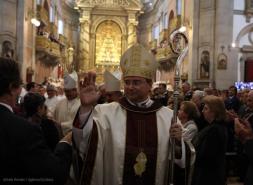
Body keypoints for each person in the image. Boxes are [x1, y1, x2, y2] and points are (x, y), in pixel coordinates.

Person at [72, 43, 186, 185]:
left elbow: (178, 161)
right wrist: (85, 108)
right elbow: (83, 143)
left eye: (136, 82)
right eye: (127, 82)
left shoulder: (168, 117)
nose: (130, 87)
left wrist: (178, 144)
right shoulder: (105, 113)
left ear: (150, 84)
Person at [0, 57, 72, 184]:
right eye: (19, 87)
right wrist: (65, 143)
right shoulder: (24, 131)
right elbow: (54, 175)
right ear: (12, 88)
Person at [192, 95, 228, 185]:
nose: (203, 111)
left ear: (214, 112)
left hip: (209, 175)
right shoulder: (214, 127)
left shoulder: (214, 130)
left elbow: (206, 155)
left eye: (206, 108)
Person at [54, 71, 80, 136]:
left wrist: (61, 125)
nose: (67, 94)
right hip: (60, 136)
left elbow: (80, 122)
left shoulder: (81, 104)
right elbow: (55, 118)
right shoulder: (60, 103)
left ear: (75, 90)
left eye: (69, 91)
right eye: (66, 91)